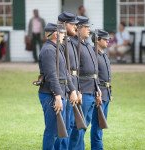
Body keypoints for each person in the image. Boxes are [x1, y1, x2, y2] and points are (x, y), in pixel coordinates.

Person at [38, 23, 78, 150]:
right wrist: (58, 96)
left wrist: (72, 90)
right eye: (62, 33)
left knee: (62, 130)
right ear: (56, 34)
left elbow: (65, 73)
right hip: (51, 95)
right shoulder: (49, 50)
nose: (64, 36)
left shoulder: (57, 48)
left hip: (60, 93)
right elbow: (51, 76)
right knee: (52, 130)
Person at [69, 16, 102, 150]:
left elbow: (94, 71)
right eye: (87, 27)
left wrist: (98, 88)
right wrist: (77, 90)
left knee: (84, 126)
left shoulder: (87, 45)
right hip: (82, 91)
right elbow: (73, 71)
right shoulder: (74, 45)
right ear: (79, 28)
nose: (89, 30)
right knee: (78, 127)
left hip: (92, 90)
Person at [55, 11, 82, 150]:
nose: (75, 27)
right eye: (73, 24)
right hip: (65, 88)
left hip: (72, 87)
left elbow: (75, 70)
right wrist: (72, 90)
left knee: (70, 125)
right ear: (64, 24)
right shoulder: (61, 43)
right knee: (62, 128)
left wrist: (78, 90)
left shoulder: (70, 41)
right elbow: (64, 70)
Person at [91, 29, 112, 150]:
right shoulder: (93, 54)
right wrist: (97, 92)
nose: (108, 41)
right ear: (97, 40)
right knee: (98, 125)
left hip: (106, 94)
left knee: (101, 124)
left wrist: (110, 93)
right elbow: (94, 77)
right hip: (99, 94)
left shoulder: (103, 54)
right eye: (105, 39)